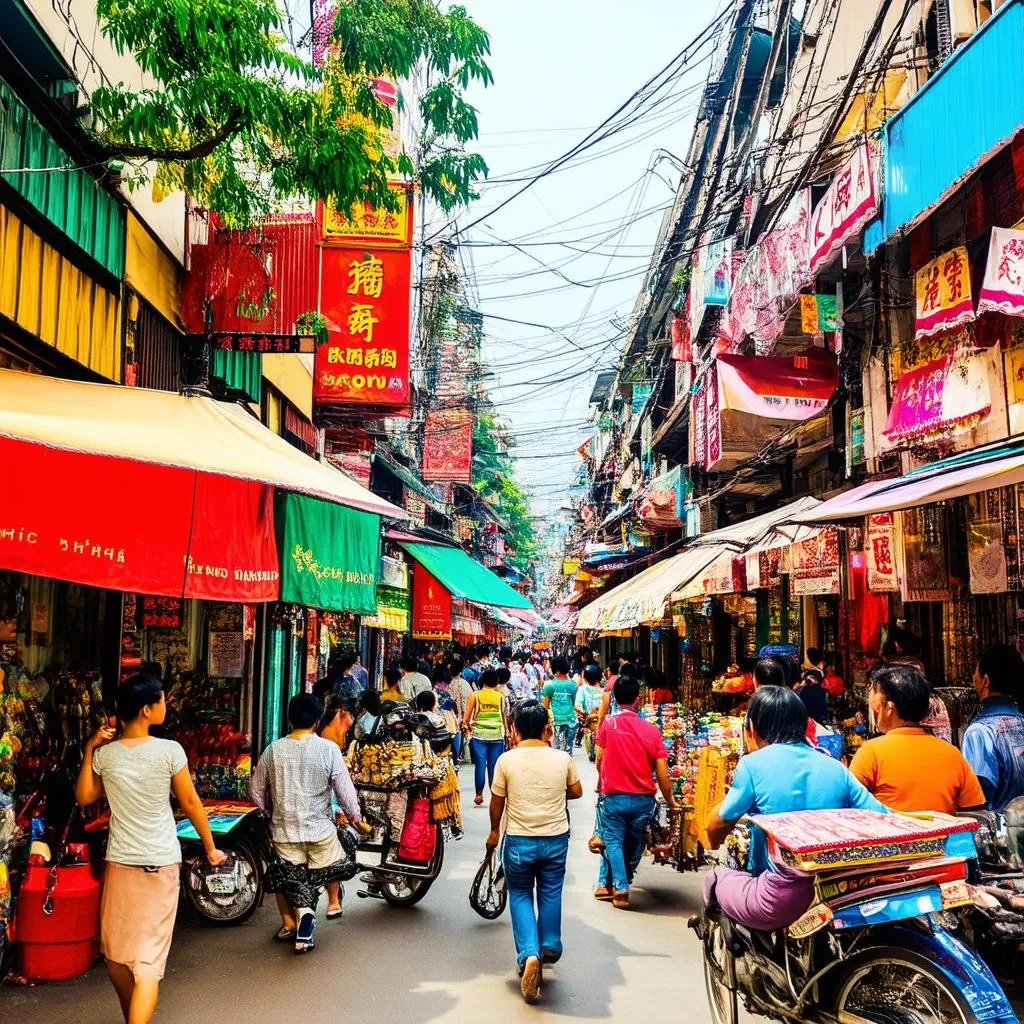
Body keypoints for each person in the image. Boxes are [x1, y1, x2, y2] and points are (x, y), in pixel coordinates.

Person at [75, 674, 226, 1024]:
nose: (165, 705)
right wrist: (211, 847)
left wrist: (89, 751)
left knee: (116, 956)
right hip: (160, 864)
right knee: (147, 966)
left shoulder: (106, 756)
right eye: (161, 700)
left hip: (121, 865)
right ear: (146, 710)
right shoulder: (170, 751)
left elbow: (84, 797)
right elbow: (189, 802)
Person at [703, 687, 886, 932]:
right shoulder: (836, 768)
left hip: (779, 900)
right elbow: (882, 816)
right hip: (836, 892)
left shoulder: (752, 765)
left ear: (752, 728)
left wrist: (714, 843)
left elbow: (716, 823)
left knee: (715, 878)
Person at [250, 692, 363, 954]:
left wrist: (269, 812)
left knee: (290, 876)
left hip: (284, 831)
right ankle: (324, 908)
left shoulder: (273, 750)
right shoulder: (329, 749)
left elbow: (256, 791)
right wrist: (356, 818)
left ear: (289, 719)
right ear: (316, 721)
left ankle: (301, 918)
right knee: (332, 860)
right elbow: (345, 792)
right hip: (321, 832)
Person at [486, 701, 583, 1005]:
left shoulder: (506, 761)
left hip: (519, 841)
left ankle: (529, 953)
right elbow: (577, 791)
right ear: (545, 729)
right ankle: (550, 943)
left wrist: (493, 832)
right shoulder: (561, 757)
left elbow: (497, 802)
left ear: (514, 729)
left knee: (520, 895)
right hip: (555, 839)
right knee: (551, 891)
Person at [850, 664, 985, 814]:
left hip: (890, 836)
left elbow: (848, 807)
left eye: (874, 692)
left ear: (889, 708)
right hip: (944, 836)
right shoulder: (952, 754)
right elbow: (974, 810)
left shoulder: (871, 752)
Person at [593, 675, 679, 909]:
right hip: (643, 800)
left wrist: (605, 777)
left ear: (614, 698)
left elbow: (599, 760)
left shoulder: (608, 725)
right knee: (635, 842)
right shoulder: (651, 731)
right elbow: (663, 773)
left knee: (613, 840)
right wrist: (670, 800)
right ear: (638, 700)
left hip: (615, 798)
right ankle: (621, 880)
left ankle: (620, 887)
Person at [963, 644, 1024, 811]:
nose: (973, 677)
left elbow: (978, 796)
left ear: (986, 680)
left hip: (1004, 832)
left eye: (976, 672)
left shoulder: (979, 732)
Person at [463, 668, 508, 806]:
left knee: (480, 765)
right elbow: (505, 717)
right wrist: (508, 734)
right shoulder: (501, 696)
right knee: (494, 766)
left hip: (479, 736)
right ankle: (495, 795)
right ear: (496, 682)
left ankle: (479, 794)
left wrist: (469, 728)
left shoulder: (475, 696)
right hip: (497, 735)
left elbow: (466, 719)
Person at [541, 657, 579, 752]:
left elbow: (545, 706)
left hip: (556, 722)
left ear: (556, 670)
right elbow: (573, 702)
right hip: (571, 721)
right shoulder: (573, 685)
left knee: (555, 751)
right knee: (568, 751)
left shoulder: (549, 685)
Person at [575, 663, 604, 762]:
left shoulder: (582, 690)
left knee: (593, 757)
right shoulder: (604, 691)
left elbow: (578, 706)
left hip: (589, 726)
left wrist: (584, 715)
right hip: (603, 725)